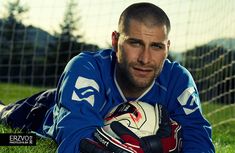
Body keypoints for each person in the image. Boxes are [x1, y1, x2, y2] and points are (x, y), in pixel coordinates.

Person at [0, 2, 215, 153]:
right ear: (115, 40)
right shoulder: (86, 68)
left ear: (167, 48)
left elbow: (197, 134)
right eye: (135, 43)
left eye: (156, 47)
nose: (145, 58)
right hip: (46, 110)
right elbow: (76, 139)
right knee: (6, 116)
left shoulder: (177, 80)